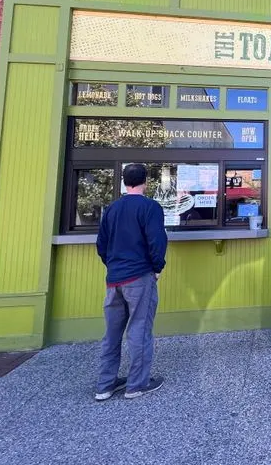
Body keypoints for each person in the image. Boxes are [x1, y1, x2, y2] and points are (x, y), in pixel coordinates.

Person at [94, 163, 168, 401]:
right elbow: (157, 241)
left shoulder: (112, 209)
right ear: (145, 181)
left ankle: (105, 385)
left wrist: (113, 266)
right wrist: (157, 268)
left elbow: (101, 245)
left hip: (114, 280)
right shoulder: (150, 207)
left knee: (112, 333)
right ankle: (136, 384)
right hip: (139, 276)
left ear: (124, 182)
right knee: (140, 330)